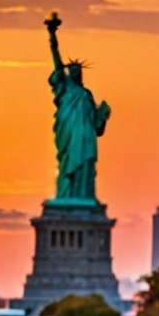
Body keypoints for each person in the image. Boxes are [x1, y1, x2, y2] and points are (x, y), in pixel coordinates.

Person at [44, 12, 110, 202]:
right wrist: (52, 35)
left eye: (77, 71)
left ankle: (83, 196)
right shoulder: (65, 88)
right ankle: (68, 197)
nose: (75, 73)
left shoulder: (87, 95)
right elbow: (56, 60)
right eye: (71, 71)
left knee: (86, 165)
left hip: (86, 136)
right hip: (70, 133)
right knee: (68, 164)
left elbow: (98, 129)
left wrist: (102, 115)